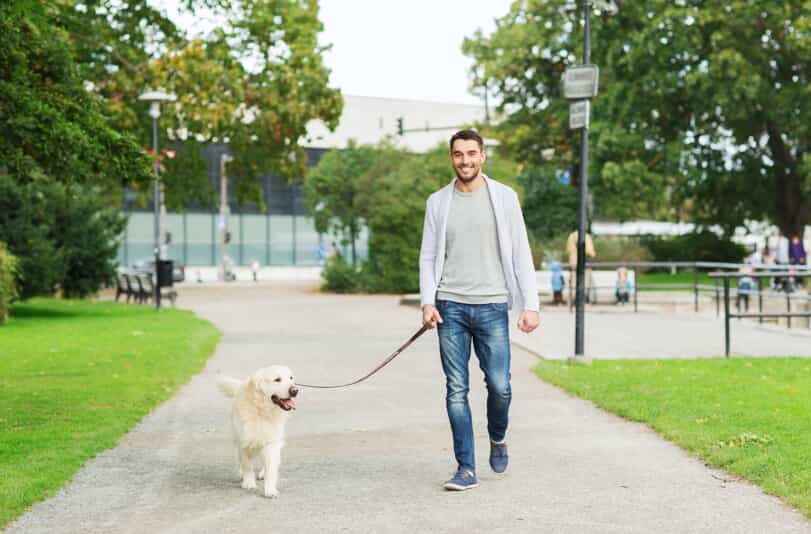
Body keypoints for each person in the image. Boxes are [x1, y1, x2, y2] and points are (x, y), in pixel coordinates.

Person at [419, 129, 539, 492]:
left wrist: (530, 305)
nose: (465, 160)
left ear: (483, 155)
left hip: (492, 305)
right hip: (450, 307)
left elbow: (521, 253)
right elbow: (427, 255)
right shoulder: (438, 202)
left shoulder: (504, 197)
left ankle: (498, 436)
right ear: (451, 158)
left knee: (500, 387)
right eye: (458, 154)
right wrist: (428, 300)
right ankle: (465, 468)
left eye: (472, 153)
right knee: (457, 389)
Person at [566, 229, 596, 302]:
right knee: (585, 283)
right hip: (584, 263)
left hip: (573, 262)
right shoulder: (586, 236)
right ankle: (583, 301)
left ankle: (573, 301)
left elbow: (568, 249)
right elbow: (589, 251)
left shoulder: (571, 236)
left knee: (573, 282)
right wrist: (593, 254)